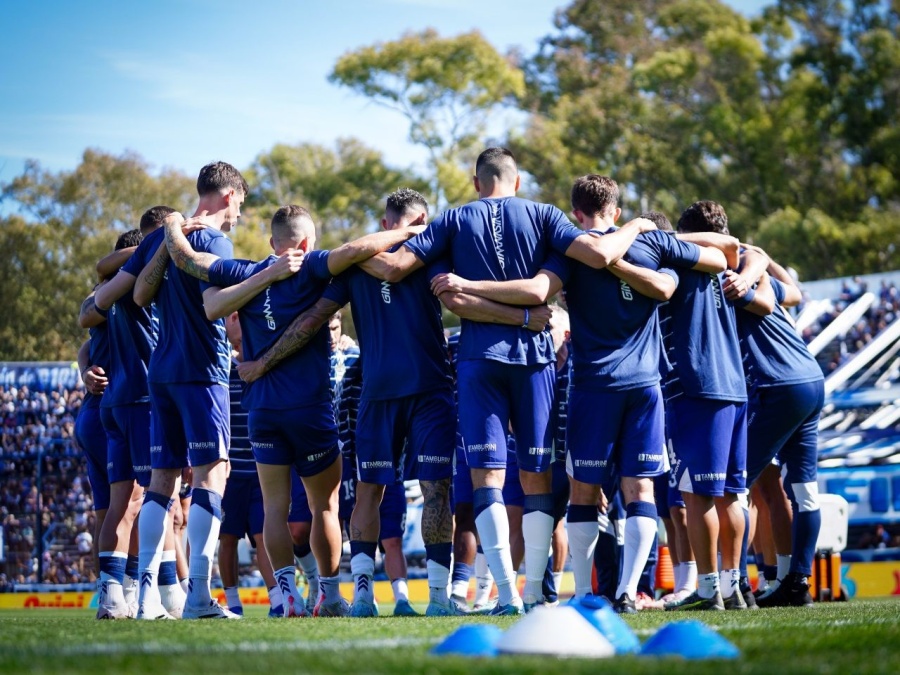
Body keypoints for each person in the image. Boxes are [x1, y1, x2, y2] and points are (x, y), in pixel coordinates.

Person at [357, 148, 656, 614]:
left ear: (476, 183)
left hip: (479, 362)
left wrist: (345, 254)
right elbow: (556, 281)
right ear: (517, 183)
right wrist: (526, 317)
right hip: (536, 363)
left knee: (487, 480)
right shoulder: (544, 215)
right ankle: (535, 591)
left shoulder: (452, 222)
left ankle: (508, 594)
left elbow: (423, 282)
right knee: (536, 479)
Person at [239, 187, 544, 616]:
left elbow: (310, 322)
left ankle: (364, 596)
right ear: (423, 222)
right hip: (428, 391)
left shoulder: (356, 262)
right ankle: (438, 599)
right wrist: (527, 317)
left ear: (384, 224)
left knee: (371, 491)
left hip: (381, 392)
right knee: (433, 489)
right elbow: (463, 300)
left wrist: (262, 361)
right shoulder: (433, 255)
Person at [165, 203, 429, 617]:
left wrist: (172, 224)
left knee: (275, 507)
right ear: (307, 243)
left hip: (263, 410)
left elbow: (190, 260)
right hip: (310, 410)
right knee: (324, 506)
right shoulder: (313, 266)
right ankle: (328, 593)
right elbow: (357, 248)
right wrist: (408, 234)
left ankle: (286, 596)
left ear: (273, 243)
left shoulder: (244, 271)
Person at [118, 162, 248, 620]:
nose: (238, 217)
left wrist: (170, 230)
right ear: (230, 195)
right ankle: (196, 598)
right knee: (213, 475)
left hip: (163, 371)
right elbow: (221, 304)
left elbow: (135, 296)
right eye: (241, 206)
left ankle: (146, 598)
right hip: (202, 370)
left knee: (162, 482)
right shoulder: (214, 240)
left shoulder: (157, 238)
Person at [662, 201, 769, 611]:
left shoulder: (680, 262)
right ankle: (733, 586)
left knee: (698, 495)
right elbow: (751, 252)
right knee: (731, 495)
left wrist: (661, 240)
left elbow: (744, 250)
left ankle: (709, 592)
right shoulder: (730, 270)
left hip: (698, 386)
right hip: (734, 388)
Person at [729, 250, 825, 607]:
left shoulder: (726, 280)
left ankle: (735, 584)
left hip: (775, 385)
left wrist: (755, 262)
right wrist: (763, 261)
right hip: (811, 380)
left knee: (733, 483)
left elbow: (771, 300)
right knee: (802, 488)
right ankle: (795, 582)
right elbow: (794, 291)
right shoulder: (754, 274)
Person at [218, 312, 282, 618]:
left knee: (263, 537)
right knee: (227, 538)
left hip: (261, 470)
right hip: (229, 474)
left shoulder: (267, 361)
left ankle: (279, 600)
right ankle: (232, 603)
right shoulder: (221, 364)